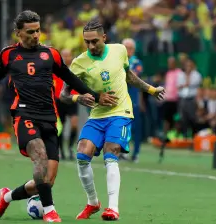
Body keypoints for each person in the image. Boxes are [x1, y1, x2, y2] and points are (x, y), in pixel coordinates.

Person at [0, 10, 117, 223]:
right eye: (30, 31)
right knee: (38, 156)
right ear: (18, 33)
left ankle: (7, 196)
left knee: (46, 180)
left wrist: (95, 95)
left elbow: (69, 77)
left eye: (38, 31)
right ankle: (50, 210)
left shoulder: (51, 54)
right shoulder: (9, 54)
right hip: (24, 114)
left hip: (49, 117)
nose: (35, 35)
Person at [60, 19, 165, 221]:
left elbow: (129, 76)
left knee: (111, 152)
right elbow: (63, 94)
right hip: (97, 116)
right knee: (82, 155)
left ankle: (113, 208)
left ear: (104, 38)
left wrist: (151, 89)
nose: (91, 46)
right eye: (86, 42)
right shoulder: (79, 63)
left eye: (94, 41)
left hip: (121, 112)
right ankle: (92, 203)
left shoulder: (119, 50)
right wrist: (78, 97)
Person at [54, 49, 79, 160]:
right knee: (60, 127)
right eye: (63, 55)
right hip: (59, 101)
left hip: (72, 99)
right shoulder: (55, 69)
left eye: (68, 55)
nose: (66, 58)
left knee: (74, 124)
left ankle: (70, 148)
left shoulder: (75, 69)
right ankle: (61, 150)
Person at [122, 38, 144, 162]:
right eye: (126, 48)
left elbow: (133, 77)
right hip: (120, 98)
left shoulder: (136, 62)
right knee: (121, 125)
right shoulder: (117, 61)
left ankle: (136, 153)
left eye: (130, 48)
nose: (128, 51)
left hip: (133, 98)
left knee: (135, 127)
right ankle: (122, 151)